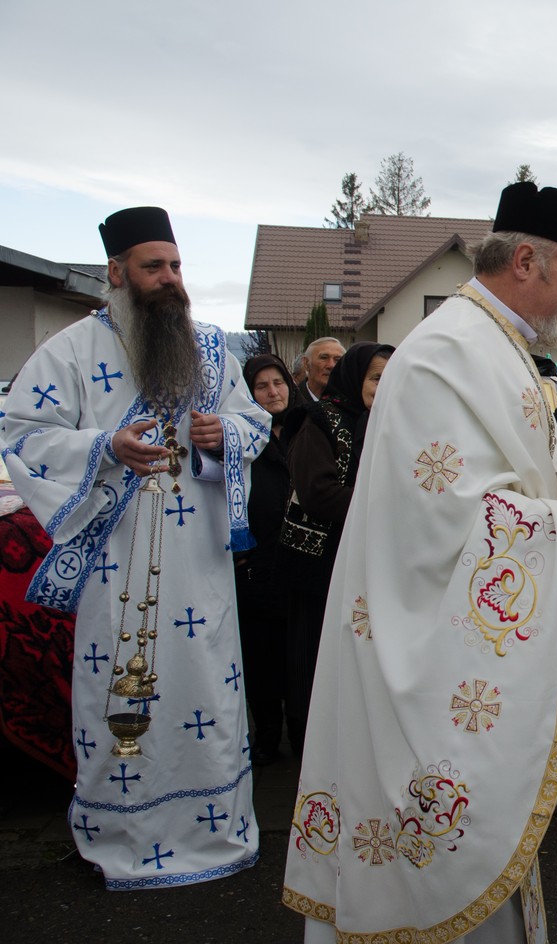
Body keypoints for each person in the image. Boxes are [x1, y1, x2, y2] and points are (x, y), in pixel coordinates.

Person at [283, 182, 557, 944]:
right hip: (418, 648)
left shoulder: (497, 348)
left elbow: (514, 486)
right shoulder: (447, 352)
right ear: (525, 259)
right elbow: (447, 522)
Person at [0, 206, 268, 888]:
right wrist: (101, 447)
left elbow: (253, 420)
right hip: (112, 559)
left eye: (176, 266)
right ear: (116, 273)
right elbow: (21, 432)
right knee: (117, 689)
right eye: (154, 266)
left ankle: (216, 830)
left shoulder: (210, 347)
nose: (170, 279)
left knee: (207, 684)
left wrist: (223, 439)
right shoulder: (67, 352)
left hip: (199, 563)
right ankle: (124, 834)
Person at [279, 342, 393, 756]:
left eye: (390, 379)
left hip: (364, 560)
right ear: (355, 378)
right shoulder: (320, 421)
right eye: (377, 378)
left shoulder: (386, 423)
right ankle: (312, 745)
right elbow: (317, 493)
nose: (384, 387)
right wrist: (387, 504)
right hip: (317, 564)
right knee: (314, 655)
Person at [234, 354, 298, 765]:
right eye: (262, 386)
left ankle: (303, 736)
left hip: (299, 562)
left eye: (278, 383)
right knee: (261, 659)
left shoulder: (305, 428)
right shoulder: (241, 436)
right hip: (257, 564)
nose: (273, 392)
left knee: (298, 655)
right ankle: (267, 738)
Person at [296, 337, 346, 403]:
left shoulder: (350, 405)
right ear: (306, 363)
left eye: (337, 360)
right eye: (324, 358)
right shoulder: (290, 403)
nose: (331, 365)